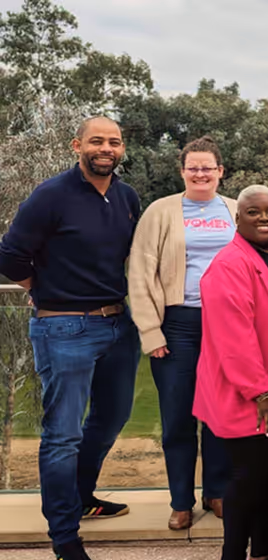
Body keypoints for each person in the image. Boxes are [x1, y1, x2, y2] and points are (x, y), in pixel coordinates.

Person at [0, 116, 141, 560]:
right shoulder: (51, 195)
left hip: (119, 326)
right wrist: (41, 291)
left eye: (114, 142)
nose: (106, 148)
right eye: (97, 140)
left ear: (121, 149)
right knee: (62, 434)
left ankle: (82, 497)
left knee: (111, 418)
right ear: (76, 144)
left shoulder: (126, 196)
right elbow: (8, 255)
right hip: (64, 328)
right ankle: (64, 536)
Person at [194, 185, 268, 560]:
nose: (264, 219)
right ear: (237, 217)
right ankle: (233, 555)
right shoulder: (229, 264)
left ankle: (262, 552)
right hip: (252, 395)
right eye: (254, 212)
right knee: (248, 481)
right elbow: (233, 337)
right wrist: (260, 390)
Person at [127, 136, 235, 530]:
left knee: (222, 414)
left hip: (226, 326)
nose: (201, 173)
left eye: (208, 167)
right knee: (177, 417)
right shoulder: (161, 212)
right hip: (178, 325)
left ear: (221, 172)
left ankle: (218, 491)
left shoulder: (236, 211)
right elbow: (139, 273)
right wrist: (151, 331)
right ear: (183, 171)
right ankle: (180, 500)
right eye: (194, 167)